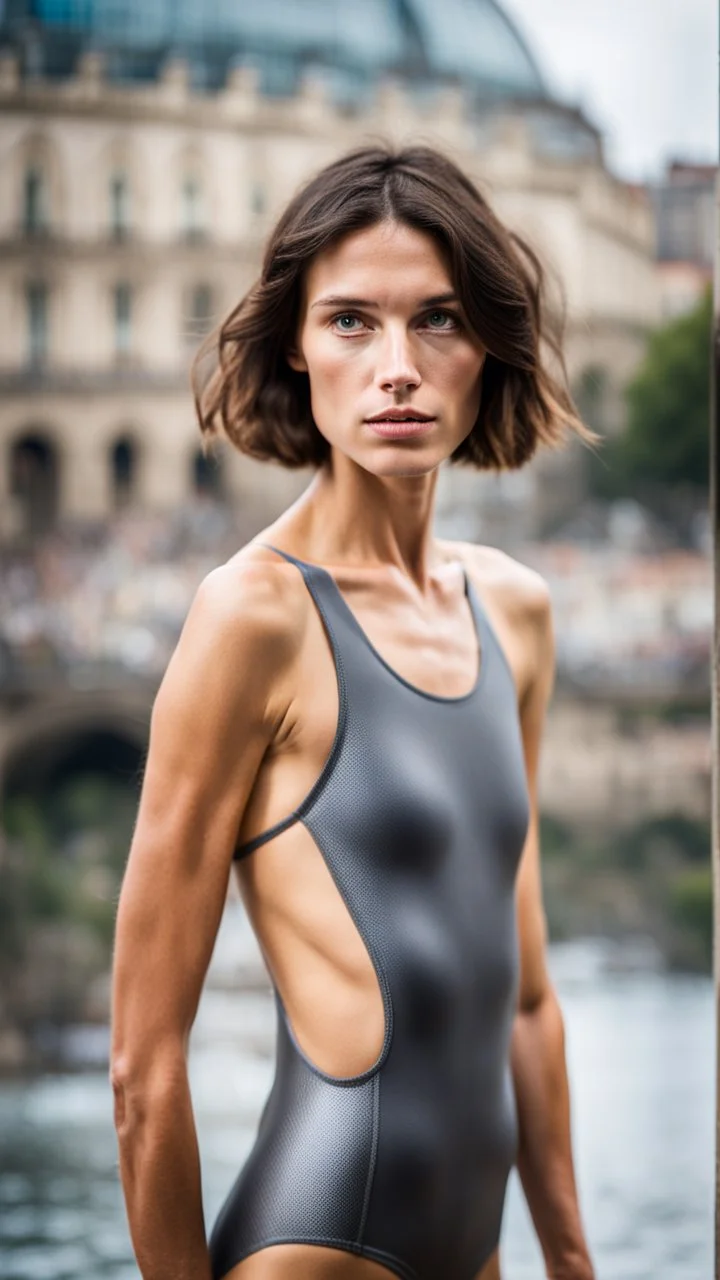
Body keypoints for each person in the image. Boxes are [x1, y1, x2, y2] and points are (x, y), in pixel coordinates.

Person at [110, 145, 597, 1280]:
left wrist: (571, 1258)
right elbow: (143, 1061)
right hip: (321, 1248)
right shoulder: (250, 620)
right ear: (295, 342)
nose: (397, 368)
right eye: (350, 323)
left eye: (437, 319)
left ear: (488, 345)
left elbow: (523, 1000)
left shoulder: (515, 613)